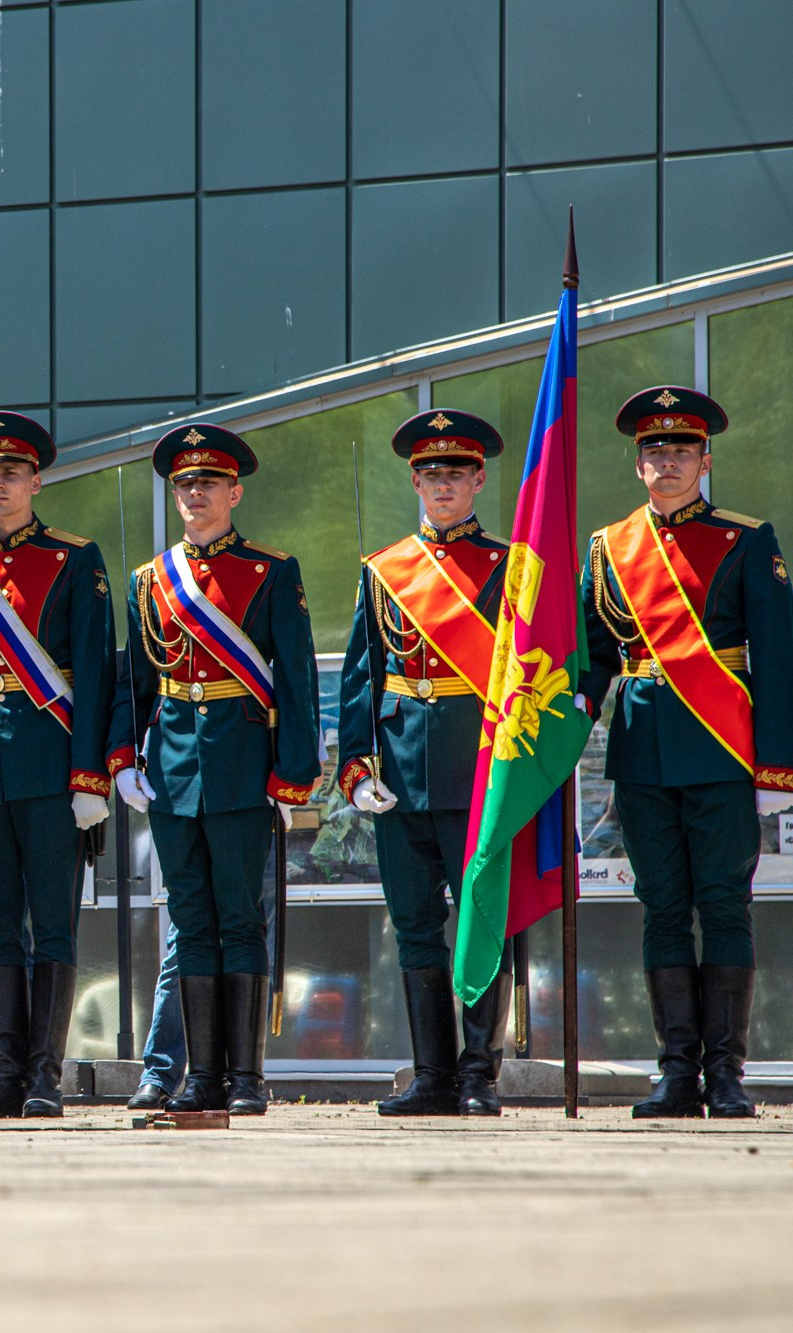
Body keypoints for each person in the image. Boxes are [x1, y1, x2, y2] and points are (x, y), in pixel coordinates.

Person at [582, 386, 793, 1120]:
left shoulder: (745, 539)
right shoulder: (609, 548)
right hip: (642, 753)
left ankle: (728, 1075)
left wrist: (776, 766)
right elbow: (593, 658)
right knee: (661, 907)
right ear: (638, 463)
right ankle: (675, 1071)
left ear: (706, 459)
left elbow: (776, 657)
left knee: (725, 906)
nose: (665, 461)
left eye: (679, 449)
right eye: (652, 450)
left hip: (722, 749)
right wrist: (558, 722)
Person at [110, 423, 320, 1116]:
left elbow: (294, 681)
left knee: (240, 920)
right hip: (172, 771)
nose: (195, 494)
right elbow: (135, 683)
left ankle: (247, 1075)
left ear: (234, 492)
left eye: (208, 483)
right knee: (192, 920)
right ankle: (201, 1075)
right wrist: (123, 759)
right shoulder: (150, 580)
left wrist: (294, 775)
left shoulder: (269, 569)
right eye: (184, 485)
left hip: (239, 767)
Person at [338, 410, 514, 1117]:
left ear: (478, 479)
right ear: (414, 481)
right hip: (403, 773)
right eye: (430, 473)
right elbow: (362, 676)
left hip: (479, 770)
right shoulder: (385, 571)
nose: (443, 485)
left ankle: (480, 1074)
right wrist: (356, 767)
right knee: (413, 923)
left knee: (482, 919)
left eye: (456, 472)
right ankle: (433, 1074)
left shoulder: (509, 566)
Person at [0, 412, 115, 1120]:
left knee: (52, 925)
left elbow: (99, 675)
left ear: (36, 479)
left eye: (10, 473)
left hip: (51, 769)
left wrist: (89, 777)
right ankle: (6, 1069)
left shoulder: (76, 559)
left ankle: (46, 1071)